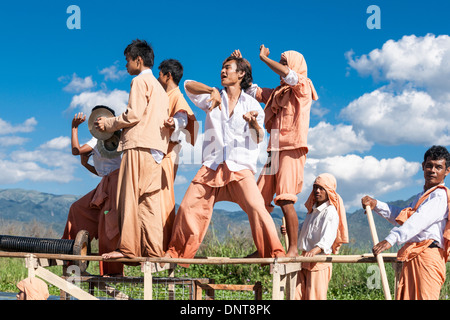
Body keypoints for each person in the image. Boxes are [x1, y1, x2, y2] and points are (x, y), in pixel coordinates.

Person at [163, 55, 285, 265]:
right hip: (212, 164)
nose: (222, 71)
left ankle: (275, 254)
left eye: (227, 68)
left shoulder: (252, 104)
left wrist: (254, 123)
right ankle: (175, 254)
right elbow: (188, 85)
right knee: (188, 208)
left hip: (239, 166)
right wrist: (210, 90)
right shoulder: (213, 97)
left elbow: (258, 138)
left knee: (258, 209)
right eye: (221, 68)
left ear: (241, 74)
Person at [236, 46, 318, 257]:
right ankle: (264, 248)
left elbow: (290, 76)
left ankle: (292, 248)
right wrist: (243, 66)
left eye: (284, 62)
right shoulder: (277, 94)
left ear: (294, 65)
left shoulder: (303, 87)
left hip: (292, 149)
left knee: (285, 199)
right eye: (280, 62)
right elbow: (251, 90)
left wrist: (264, 59)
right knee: (257, 199)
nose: (282, 66)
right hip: (275, 152)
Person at [95, 39, 170, 260]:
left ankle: (127, 249)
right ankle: (155, 252)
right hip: (156, 151)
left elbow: (133, 114)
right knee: (149, 202)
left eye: (127, 60)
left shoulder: (139, 81)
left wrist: (109, 124)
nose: (125, 65)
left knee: (128, 198)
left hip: (138, 146)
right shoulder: (160, 89)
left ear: (138, 60)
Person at [361, 145, 450, 300]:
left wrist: (391, 239)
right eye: (429, 165)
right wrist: (377, 205)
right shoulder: (421, 197)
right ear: (423, 167)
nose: (433, 170)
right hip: (414, 256)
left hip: (428, 257)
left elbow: (417, 221)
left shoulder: (440, 196)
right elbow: (402, 215)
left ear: (447, 171)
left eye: (438, 167)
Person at [62, 107, 123, 276]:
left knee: (108, 226)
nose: (98, 122)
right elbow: (103, 172)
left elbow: (76, 151)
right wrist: (85, 164)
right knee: (78, 208)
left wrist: (74, 127)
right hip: (109, 183)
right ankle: (71, 254)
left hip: (115, 184)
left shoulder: (99, 141)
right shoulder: (110, 140)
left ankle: (112, 273)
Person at [286, 173, 348, 300]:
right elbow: (302, 229)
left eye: (321, 188)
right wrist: (289, 229)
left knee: (314, 297)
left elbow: (329, 236)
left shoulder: (330, 212)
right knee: (296, 295)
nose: (317, 191)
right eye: (315, 188)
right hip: (304, 259)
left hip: (319, 260)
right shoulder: (312, 212)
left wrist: (315, 250)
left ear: (329, 191)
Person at [157, 59, 198, 250]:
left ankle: (165, 244)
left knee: (165, 196)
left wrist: (172, 123)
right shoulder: (163, 96)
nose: (158, 78)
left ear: (168, 76)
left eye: (160, 74)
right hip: (160, 152)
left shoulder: (176, 97)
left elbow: (183, 117)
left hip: (170, 152)